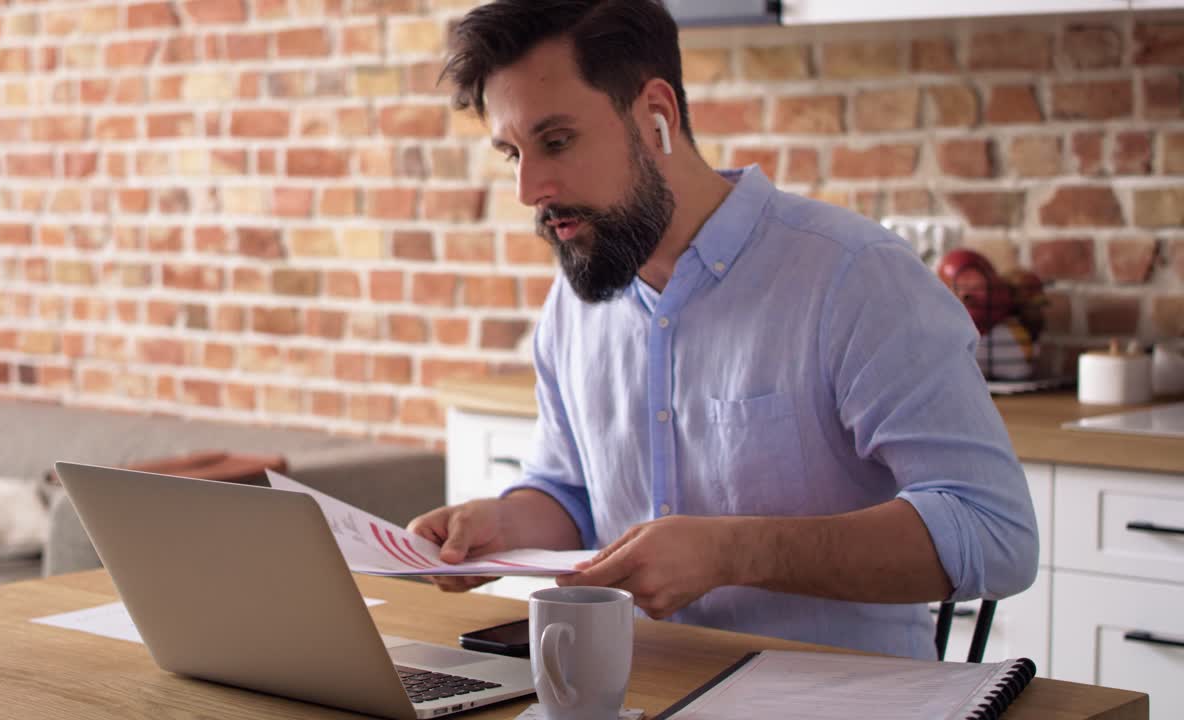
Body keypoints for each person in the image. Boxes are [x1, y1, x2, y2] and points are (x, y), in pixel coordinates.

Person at [407, 0, 1038, 660]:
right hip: (642, 691)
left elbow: (994, 532)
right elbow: (571, 494)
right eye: (511, 152)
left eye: (556, 141)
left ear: (657, 116)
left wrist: (734, 551)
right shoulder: (575, 303)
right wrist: (503, 524)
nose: (529, 188)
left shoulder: (856, 278)